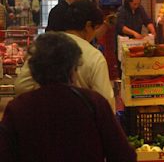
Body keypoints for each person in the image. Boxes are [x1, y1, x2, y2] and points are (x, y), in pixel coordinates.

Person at [0, 32, 136, 162]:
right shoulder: (94, 103)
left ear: (34, 69)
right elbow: (124, 155)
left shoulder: (18, 108)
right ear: (73, 68)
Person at [15, 0, 115, 111]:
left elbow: (21, 87)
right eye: (95, 29)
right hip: (81, 123)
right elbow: (106, 103)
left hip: (40, 121)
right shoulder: (94, 56)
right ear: (87, 26)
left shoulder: (42, 47)